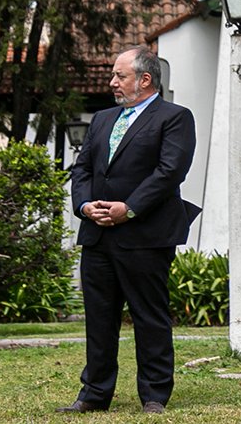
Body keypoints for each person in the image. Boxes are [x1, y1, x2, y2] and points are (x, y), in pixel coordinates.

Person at [59, 47, 199, 415]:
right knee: (99, 318)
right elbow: (82, 169)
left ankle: (154, 394)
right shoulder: (103, 119)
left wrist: (129, 208)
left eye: (119, 76)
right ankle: (94, 393)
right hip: (98, 235)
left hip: (147, 236)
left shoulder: (175, 118)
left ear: (145, 79)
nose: (112, 82)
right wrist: (85, 205)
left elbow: (169, 172)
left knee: (148, 315)